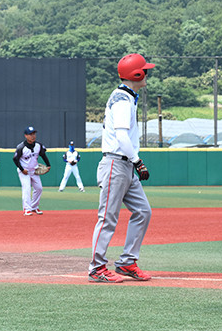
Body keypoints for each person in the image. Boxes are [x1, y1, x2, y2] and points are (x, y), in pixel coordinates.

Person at [89, 53, 155, 283]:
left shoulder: (126, 97)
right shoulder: (122, 99)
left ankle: (127, 262)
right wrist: (137, 161)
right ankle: (97, 267)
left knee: (143, 211)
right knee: (107, 218)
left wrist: (133, 162)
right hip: (117, 163)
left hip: (124, 165)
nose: (147, 73)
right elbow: (121, 136)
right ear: (136, 74)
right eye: (144, 70)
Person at [13, 126, 51, 216]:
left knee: (39, 188)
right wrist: (22, 169)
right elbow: (15, 159)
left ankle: (34, 207)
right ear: (26, 136)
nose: (33, 136)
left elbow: (43, 155)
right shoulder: (21, 147)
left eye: (34, 134)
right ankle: (27, 209)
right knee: (27, 189)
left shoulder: (38, 145)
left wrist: (48, 165)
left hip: (34, 170)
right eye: (30, 134)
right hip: (24, 171)